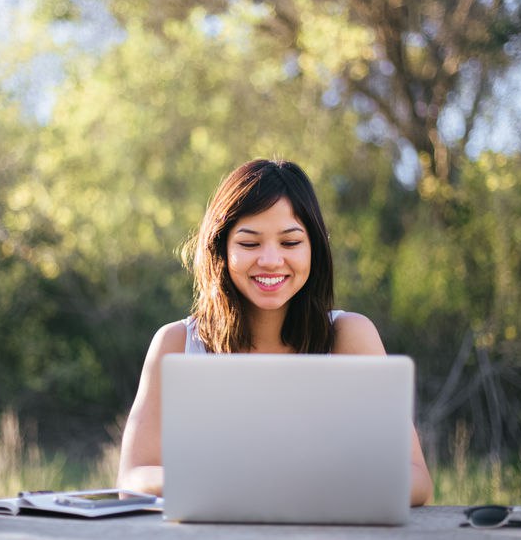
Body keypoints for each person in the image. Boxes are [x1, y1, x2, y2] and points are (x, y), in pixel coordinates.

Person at [116, 159, 434, 506]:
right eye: (250, 244)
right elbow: (132, 478)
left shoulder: (350, 336)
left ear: (314, 247)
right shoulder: (177, 343)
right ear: (222, 248)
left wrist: (312, 484)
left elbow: (416, 480)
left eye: (290, 242)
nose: (270, 260)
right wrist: (230, 482)